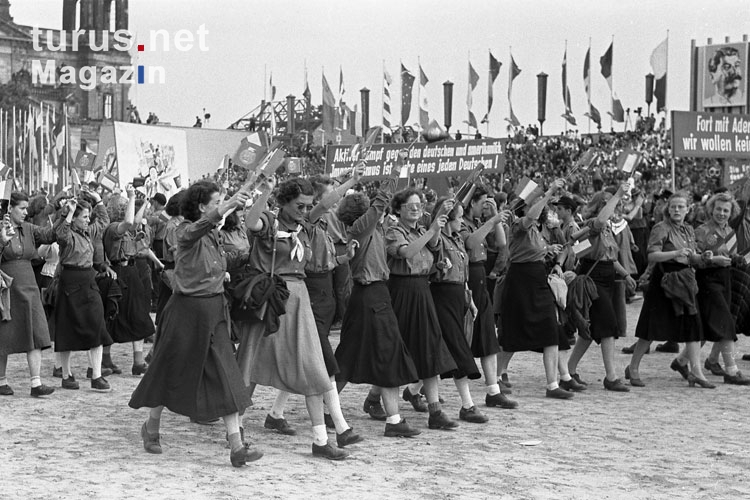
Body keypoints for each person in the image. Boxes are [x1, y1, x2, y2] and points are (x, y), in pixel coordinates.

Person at [129, 182, 262, 468]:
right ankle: (151, 427)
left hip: (214, 313)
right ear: (202, 207)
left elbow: (214, 259)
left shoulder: (212, 234)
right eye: (216, 202)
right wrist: (226, 207)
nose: (220, 205)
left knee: (225, 375)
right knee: (168, 371)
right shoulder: (184, 231)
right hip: (186, 313)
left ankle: (236, 445)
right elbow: (199, 228)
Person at [236, 177, 353, 460]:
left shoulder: (305, 224)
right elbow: (251, 222)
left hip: (298, 299)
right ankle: (236, 429)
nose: (304, 210)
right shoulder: (269, 222)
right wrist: (265, 189)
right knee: (249, 366)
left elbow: (326, 203)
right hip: (270, 297)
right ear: (283, 203)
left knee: (313, 367)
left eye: (307, 205)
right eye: (299, 205)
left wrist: (353, 178)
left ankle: (321, 440)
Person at [334, 153, 422, 438]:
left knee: (347, 356)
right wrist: (395, 170)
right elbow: (382, 200)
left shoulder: (368, 229)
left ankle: (328, 406)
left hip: (368, 295)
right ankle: (394, 421)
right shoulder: (362, 227)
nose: (380, 211)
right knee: (388, 354)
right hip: (372, 296)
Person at [385, 188, 459, 430]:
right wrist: (431, 229)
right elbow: (407, 252)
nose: (416, 208)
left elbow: (429, 251)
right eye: (410, 205)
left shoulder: (421, 230)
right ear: (398, 209)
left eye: (419, 204)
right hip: (402, 293)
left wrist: (436, 263)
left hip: (422, 291)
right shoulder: (394, 231)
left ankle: (435, 411)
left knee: (429, 347)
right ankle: (375, 399)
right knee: (399, 349)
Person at [627, 193, 713, 388]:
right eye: (673, 206)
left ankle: (696, 372)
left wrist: (702, 257)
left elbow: (691, 257)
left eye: (680, 207)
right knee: (651, 329)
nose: (676, 210)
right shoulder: (661, 228)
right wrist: (675, 253)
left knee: (692, 326)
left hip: (685, 280)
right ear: (668, 209)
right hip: (664, 280)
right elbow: (652, 256)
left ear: (687, 209)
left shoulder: (688, 230)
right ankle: (633, 368)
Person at [500, 179, 573, 399]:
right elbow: (530, 217)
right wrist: (549, 190)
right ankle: (495, 378)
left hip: (538, 279)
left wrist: (548, 249)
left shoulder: (540, 232)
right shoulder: (518, 225)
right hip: (520, 282)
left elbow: (535, 251)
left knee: (551, 331)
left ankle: (552, 385)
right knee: (513, 334)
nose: (544, 209)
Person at [566, 185, 633, 392]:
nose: (610, 204)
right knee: (608, 326)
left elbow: (610, 257)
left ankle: (568, 370)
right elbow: (583, 249)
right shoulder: (592, 225)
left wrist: (626, 274)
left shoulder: (606, 229)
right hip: (593, 277)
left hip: (606, 275)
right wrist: (619, 195)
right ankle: (611, 376)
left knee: (591, 329)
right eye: (605, 202)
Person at [429, 198, 489, 424]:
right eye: (459, 217)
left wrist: (468, 298)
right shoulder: (438, 237)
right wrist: (439, 218)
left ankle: (412, 391)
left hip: (457, 296)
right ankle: (468, 405)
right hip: (441, 295)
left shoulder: (456, 239)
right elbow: (433, 240)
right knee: (457, 348)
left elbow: (462, 274)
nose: (462, 222)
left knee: (438, 350)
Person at [460, 188, 518, 408]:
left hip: (480, 278)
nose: (486, 206)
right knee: (456, 339)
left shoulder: (479, 222)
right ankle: (415, 389)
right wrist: (491, 220)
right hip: (467, 279)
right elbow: (471, 243)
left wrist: (496, 217)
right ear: (472, 202)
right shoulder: (462, 223)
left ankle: (493, 390)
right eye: (484, 202)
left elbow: (502, 243)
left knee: (487, 336)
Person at [0, 192, 57, 397]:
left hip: (29, 285)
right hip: (6, 288)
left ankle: (36, 383)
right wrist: (1, 240)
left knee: (36, 332)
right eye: (22, 208)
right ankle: (1, 381)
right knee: (4, 336)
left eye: (26, 208)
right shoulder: (0, 228)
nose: (26, 212)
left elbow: (51, 236)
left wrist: (64, 215)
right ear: (10, 208)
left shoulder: (29, 228)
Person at [54, 198, 113, 392]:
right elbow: (60, 235)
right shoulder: (68, 235)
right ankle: (66, 375)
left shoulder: (88, 232)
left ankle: (96, 376)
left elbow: (104, 221)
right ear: (75, 218)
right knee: (66, 328)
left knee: (97, 325)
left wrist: (98, 200)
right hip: (70, 282)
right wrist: (69, 213)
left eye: (89, 216)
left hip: (89, 280)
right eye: (85, 217)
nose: (88, 220)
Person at [694, 193, 750, 384]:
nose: (721, 213)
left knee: (707, 327)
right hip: (708, 280)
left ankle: (681, 361)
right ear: (711, 209)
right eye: (718, 209)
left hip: (725, 280)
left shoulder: (730, 232)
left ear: (731, 212)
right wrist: (711, 259)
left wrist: (738, 259)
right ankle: (732, 371)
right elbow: (695, 258)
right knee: (725, 323)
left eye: (726, 210)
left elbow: (730, 257)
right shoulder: (702, 231)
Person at [103, 188, 155, 375]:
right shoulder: (111, 229)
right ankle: (105, 360)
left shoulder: (126, 229)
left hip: (130, 271)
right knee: (113, 315)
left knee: (138, 313)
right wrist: (133, 197)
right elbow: (129, 222)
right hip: (117, 272)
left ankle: (138, 361)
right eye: (126, 206)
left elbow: (134, 222)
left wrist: (145, 201)